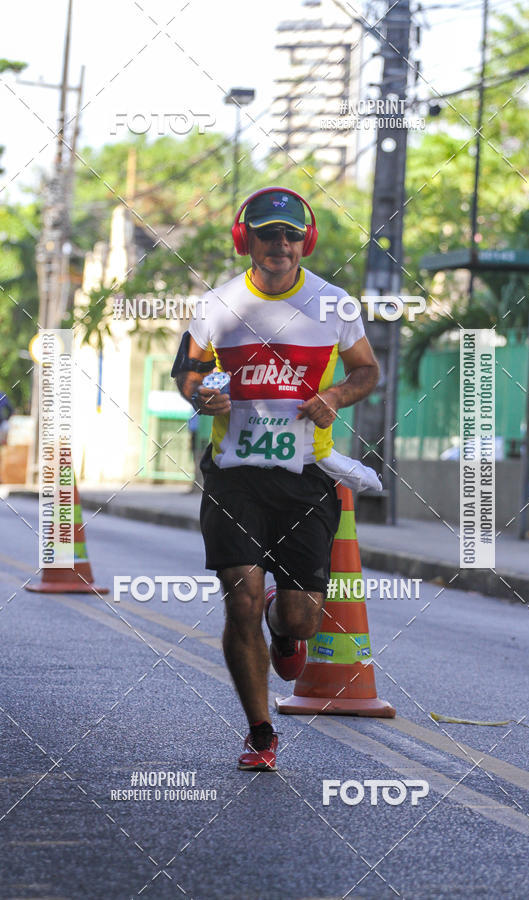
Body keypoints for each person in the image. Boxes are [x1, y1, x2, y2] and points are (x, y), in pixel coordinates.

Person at [173, 187, 380, 771]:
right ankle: (260, 732)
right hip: (234, 476)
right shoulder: (219, 304)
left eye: (290, 235)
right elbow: (186, 371)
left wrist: (336, 394)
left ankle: (281, 619)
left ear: (304, 242)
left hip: (305, 478)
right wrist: (202, 395)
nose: (280, 245)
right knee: (238, 598)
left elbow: (367, 369)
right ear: (247, 240)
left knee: (300, 618)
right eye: (267, 233)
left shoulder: (334, 304)